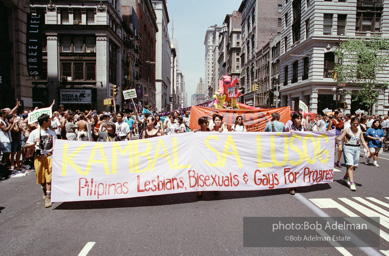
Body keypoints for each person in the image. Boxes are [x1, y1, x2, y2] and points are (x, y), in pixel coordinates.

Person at [25, 114, 56, 208]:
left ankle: (48, 197)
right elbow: (27, 145)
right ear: (44, 122)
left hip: (50, 156)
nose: (50, 122)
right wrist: (34, 143)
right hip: (39, 156)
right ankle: (44, 189)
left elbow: (56, 143)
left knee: (49, 177)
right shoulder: (34, 133)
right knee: (40, 176)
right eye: (49, 121)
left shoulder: (51, 132)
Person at [337, 117, 370, 191]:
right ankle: (352, 182)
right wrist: (335, 137)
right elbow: (340, 138)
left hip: (357, 149)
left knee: (354, 166)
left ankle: (346, 177)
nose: (355, 126)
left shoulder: (360, 131)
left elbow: (363, 141)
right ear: (351, 123)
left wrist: (367, 149)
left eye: (357, 124)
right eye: (354, 124)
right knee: (350, 165)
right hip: (348, 148)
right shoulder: (347, 130)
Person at [285, 112, 305, 195]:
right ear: (293, 120)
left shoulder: (303, 128)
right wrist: (288, 133)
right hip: (291, 152)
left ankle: (297, 183)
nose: (299, 120)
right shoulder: (288, 128)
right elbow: (282, 138)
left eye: (300, 118)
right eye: (297, 118)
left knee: (299, 168)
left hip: (301, 152)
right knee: (292, 169)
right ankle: (291, 187)